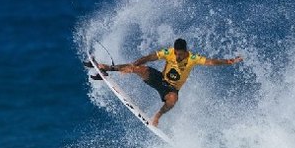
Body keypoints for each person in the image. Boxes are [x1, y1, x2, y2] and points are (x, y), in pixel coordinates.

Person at [96, 38, 243, 127]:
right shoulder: (169, 52)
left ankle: (157, 116)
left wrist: (229, 61)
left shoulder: (193, 58)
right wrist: (136, 63)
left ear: (186, 51)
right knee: (140, 68)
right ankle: (107, 68)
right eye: (176, 53)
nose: (178, 57)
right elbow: (151, 57)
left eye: (181, 54)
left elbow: (211, 62)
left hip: (171, 89)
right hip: (159, 79)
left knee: (174, 99)